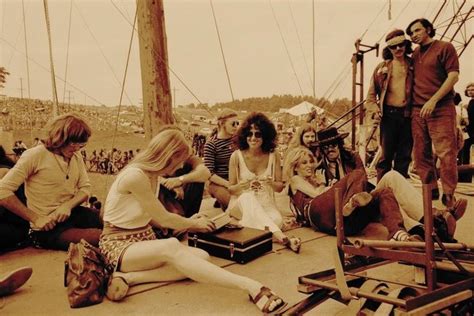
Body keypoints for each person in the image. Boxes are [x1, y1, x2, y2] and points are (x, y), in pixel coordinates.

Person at [99, 128, 287, 314]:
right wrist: (193, 224)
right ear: (168, 156)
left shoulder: (151, 175)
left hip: (143, 240)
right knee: (172, 246)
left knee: (201, 257)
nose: (180, 167)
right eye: (179, 161)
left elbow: (149, 217)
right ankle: (250, 286)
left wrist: (188, 220)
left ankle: (129, 278)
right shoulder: (135, 176)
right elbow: (163, 219)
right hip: (119, 245)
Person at [0, 114, 102, 250]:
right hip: (48, 228)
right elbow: (2, 191)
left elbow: (85, 188)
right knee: (103, 237)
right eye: (73, 143)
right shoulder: (35, 155)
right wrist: (35, 218)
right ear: (59, 138)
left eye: (80, 145)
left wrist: (67, 206)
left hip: (73, 213)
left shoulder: (75, 156)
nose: (76, 148)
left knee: (117, 222)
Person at [285, 146, 418, 241]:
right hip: (315, 213)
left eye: (310, 162)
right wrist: (324, 186)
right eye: (304, 163)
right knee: (358, 173)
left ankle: (398, 233)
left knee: (384, 193)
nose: (309, 165)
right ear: (295, 167)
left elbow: (324, 193)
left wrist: (328, 187)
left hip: (341, 225)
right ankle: (349, 204)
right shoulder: (295, 180)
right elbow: (316, 195)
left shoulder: (315, 178)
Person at [228, 112, 301, 253]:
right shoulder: (236, 156)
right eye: (250, 134)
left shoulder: (273, 156)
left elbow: (279, 188)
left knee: (277, 220)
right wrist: (242, 186)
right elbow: (231, 190)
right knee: (248, 197)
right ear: (244, 135)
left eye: (258, 134)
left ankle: (244, 229)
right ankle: (283, 238)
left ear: (265, 136)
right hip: (241, 204)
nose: (253, 138)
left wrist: (271, 183)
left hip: (265, 203)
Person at [406, 18, 460, 208]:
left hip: (441, 108)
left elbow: (453, 76)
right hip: (417, 110)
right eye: (411, 33)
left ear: (428, 29)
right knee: (420, 154)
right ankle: (431, 191)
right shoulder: (414, 54)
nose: (414, 35)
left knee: (446, 153)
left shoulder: (445, 47)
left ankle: (449, 194)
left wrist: (434, 100)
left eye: (417, 30)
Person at [365, 29, 414, 181]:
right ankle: (382, 192)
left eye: (401, 45)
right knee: (385, 156)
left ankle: (399, 192)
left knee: (404, 156)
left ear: (406, 44)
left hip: (408, 116)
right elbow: (371, 96)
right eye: (394, 46)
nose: (398, 49)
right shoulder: (381, 68)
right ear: (389, 49)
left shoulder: (414, 65)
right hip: (389, 116)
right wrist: (374, 111)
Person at [157, 125, 211, 221]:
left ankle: (190, 219)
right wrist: (167, 183)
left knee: (197, 178)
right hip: (159, 207)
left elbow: (205, 173)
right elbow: (144, 176)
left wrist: (180, 180)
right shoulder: (157, 158)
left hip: (180, 200)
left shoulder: (187, 157)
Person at [203, 109, 239, 210]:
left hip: (237, 180)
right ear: (222, 124)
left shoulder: (237, 141)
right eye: (233, 124)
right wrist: (228, 185)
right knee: (234, 207)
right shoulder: (211, 145)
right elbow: (209, 173)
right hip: (219, 182)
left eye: (237, 123)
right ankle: (221, 199)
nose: (236, 126)